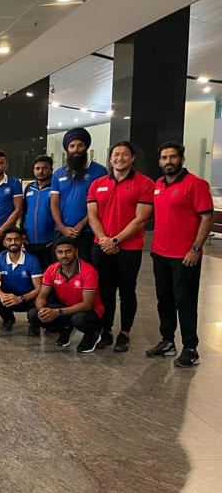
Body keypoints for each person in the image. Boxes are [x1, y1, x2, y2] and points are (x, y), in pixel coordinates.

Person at [147, 142, 213, 368]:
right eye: (164, 158)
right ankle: (167, 341)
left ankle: (190, 348)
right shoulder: (158, 185)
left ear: (181, 160)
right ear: (159, 162)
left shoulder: (196, 184)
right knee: (164, 300)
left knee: (185, 302)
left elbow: (206, 217)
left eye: (172, 157)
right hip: (160, 253)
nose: (168, 162)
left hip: (185, 256)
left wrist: (196, 248)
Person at [87, 141, 154, 352]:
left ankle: (125, 333)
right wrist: (105, 239)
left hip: (129, 248)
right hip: (101, 246)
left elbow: (141, 219)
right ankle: (105, 330)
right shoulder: (98, 184)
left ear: (132, 158)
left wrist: (115, 240)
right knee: (104, 291)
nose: (120, 158)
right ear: (110, 158)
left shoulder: (144, 183)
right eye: (116, 154)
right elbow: (92, 216)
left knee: (127, 291)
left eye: (125, 154)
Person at [27, 236, 104, 353]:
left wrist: (57, 312)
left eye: (68, 251)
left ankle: (92, 334)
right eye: (60, 252)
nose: (64, 256)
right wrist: (42, 310)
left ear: (76, 252)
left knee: (79, 319)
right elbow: (41, 296)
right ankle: (66, 327)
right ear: (56, 253)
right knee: (34, 314)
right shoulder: (51, 270)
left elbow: (87, 305)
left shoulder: (88, 271)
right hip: (66, 308)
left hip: (88, 311)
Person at [50, 127, 107, 259]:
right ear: (67, 149)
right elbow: (54, 203)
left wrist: (80, 225)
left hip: (88, 231)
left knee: (86, 270)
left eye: (80, 145)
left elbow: (100, 204)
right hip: (62, 232)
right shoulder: (58, 174)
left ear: (86, 147)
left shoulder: (100, 172)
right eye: (72, 146)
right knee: (60, 271)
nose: (76, 149)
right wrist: (62, 227)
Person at [0, 227, 42, 333]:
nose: (13, 242)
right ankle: (8, 319)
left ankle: (34, 323)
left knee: (40, 302)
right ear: (4, 242)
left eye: (16, 239)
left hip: (27, 298)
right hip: (9, 298)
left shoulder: (32, 260)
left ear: (22, 241)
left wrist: (20, 298)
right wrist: (2, 296)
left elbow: (39, 288)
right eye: (9, 240)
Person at [21, 154, 55, 270]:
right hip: (30, 242)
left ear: (51, 169)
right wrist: (22, 232)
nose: (41, 171)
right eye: (38, 168)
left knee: (48, 274)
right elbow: (23, 212)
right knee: (32, 274)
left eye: (45, 168)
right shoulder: (29, 188)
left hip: (49, 242)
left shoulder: (55, 187)